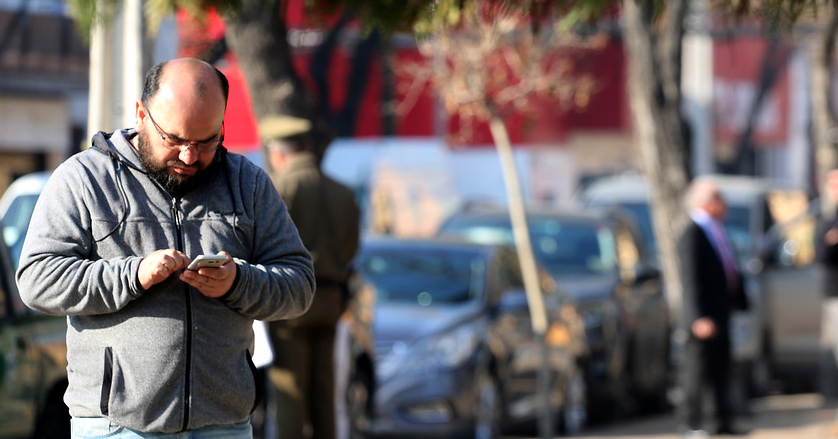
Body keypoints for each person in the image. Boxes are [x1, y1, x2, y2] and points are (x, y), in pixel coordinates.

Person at [15, 58, 315, 438]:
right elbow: (37, 279)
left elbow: (299, 285)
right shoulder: (84, 179)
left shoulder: (248, 183)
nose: (189, 157)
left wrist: (238, 281)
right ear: (141, 114)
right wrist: (132, 275)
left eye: (207, 142)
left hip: (225, 426)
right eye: (174, 141)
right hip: (115, 428)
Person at [259, 114, 361, 439]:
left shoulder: (278, 188)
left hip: (289, 303)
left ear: (279, 154)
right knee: (324, 394)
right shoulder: (343, 193)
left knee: (291, 392)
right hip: (331, 300)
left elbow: (263, 247)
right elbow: (350, 249)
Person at [678, 177, 749, 437]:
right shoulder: (692, 233)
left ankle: (719, 421)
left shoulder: (716, 230)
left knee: (720, 369)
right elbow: (690, 279)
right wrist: (698, 316)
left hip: (721, 312)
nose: (725, 203)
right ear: (707, 202)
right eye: (719, 197)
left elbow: (728, 268)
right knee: (697, 372)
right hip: (704, 317)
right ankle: (691, 423)